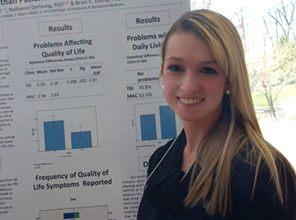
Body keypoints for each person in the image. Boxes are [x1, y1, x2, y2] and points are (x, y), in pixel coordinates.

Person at [137, 9, 296, 220]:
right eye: (176, 67)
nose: (189, 86)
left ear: (229, 79)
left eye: (207, 70)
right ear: (163, 71)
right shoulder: (160, 158)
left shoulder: (260, 172)